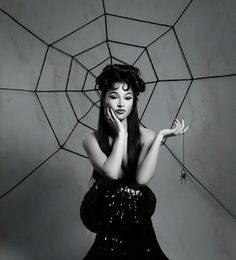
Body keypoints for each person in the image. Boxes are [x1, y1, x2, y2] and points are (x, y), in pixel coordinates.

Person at [80, 64, 190, 260]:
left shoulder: (146, 136)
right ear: (104, 99)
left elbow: (141, 179)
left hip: (133, 208)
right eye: (114, 97)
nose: (121, 104)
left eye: (128, 97)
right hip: (99, 208)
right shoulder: (91, 139)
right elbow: (111, 175)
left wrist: (159, 137)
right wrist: (121, 134)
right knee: (120, 191)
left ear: (134, 103)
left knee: (137, 194)